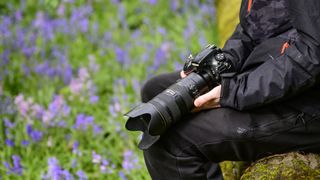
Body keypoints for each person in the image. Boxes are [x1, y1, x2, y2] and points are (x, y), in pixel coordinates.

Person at [140, 0, 320, 179]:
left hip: (308, 101)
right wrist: (222, 64)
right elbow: (253, 27)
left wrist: (234, 91)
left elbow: (313, 55)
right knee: (157, 91)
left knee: (167, 143)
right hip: (275, 67)